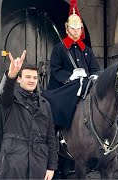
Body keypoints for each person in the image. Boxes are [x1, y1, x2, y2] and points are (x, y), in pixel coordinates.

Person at [0, 50, 58, 180]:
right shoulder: (10, 99)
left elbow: (51, 138)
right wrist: (11, 75)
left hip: (38, 163)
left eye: (35, 78)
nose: (32, 80)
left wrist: (51, 167)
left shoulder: (44, 104)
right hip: (13, 162)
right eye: (28, 77)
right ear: (19, 79)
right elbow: (3, 92)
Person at [42, 0, 101, 129]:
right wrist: (70, 77)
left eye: (78, 28)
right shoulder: (59, 48)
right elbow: (56, 69)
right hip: (65, 88)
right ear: (67, 28)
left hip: (85, 86)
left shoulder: (87, 50)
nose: (75, 31)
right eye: (73, 28)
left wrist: (94, 76)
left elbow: (95, 68)